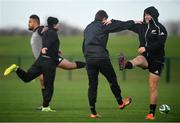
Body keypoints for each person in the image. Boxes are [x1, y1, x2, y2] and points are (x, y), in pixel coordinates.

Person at [83, 10, 140, 118]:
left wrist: (87, 57)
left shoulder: (87, 28)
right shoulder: (102, 25)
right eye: (106, 19)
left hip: (89, 59)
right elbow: (119, 26)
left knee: (92, 85)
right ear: (104, 19)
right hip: (101, 58)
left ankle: (93, 112)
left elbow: (84, 44)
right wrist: (133, 21)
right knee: (112, 79)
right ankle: (120, 102)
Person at [4, 17, 62, 112]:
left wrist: (54, 49)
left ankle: (16, 68)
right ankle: (46, 107)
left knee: (27, 78)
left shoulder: (46, 31)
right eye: (58, 23)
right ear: (54, 24)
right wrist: (46, 47)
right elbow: (48, 41)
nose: (59, 25)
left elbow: (46, 40)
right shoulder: (52, 32)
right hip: (49, 62)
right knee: (49, 86)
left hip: (40, 60)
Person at [119, 6, 167, 120]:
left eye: (149, 14)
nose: (146, 16)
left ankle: (151, 113)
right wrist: (112, 22)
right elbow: (126, 25)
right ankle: (124, 64)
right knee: (138, 59)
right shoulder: (141, 26)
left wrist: (146, 48)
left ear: (154, 15)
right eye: (145, 14)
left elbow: (160, 44)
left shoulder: (161, 28)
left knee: (152, 87)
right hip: (145, 57)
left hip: (157, 60)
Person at [28, 15, 86, 109]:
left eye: (30, 22)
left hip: (49, 59)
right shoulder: (36, 33)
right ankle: (45, 105)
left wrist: (52, 47)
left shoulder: (40, 30)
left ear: (35, 22)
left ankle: (88, 64)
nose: (28, 23)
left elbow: (47, 33)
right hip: (44, 61)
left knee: (69, 66)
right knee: (42, 80)